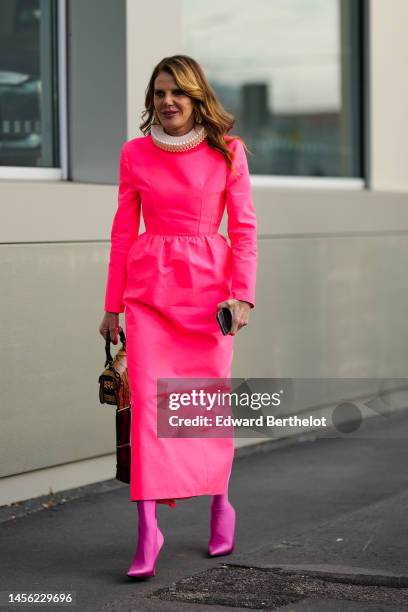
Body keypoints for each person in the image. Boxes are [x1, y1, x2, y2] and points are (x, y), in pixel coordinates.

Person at [99, 54, 258, 579]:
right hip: (148, 297)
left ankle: (219, 504)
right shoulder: (134, 153)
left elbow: (245, 232)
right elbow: (124, 231)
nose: (167, 102)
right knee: (148, 412)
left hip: (208, 300)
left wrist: (243, 297)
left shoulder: (228, 153)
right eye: (159, 93)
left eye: (178, 94)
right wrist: (111, 306)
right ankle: (148, 529)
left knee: (201, 410)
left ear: (196, 98)